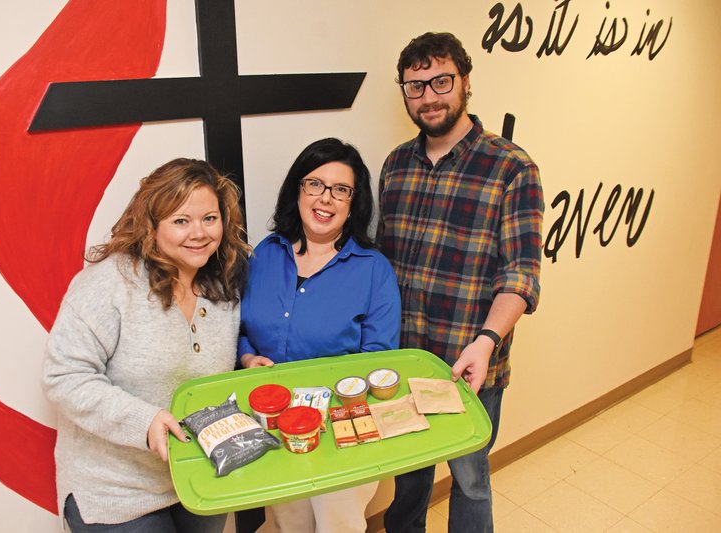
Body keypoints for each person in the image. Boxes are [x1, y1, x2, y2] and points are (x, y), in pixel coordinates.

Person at [377, 32, 544, 533]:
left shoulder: (512, 167)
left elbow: (521, 274)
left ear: (465, 82)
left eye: (440, 81)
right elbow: (382, 264)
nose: (428, 96)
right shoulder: (395, 165)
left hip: (468, 363)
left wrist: (487, 341)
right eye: (415, 86)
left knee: (470, 479)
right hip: (405, 358)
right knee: (408, 477)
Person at [42, 158, 250, 532]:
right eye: (180, 221)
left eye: (209, 218)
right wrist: (145, 421)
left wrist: (245, 365)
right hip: (117, 491)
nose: (199, 233)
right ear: (151, 226)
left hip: (199, 476)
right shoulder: (110, 284)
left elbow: (203, 370)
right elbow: (64, 376)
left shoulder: (224, 285)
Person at [238, 137, 401, 532]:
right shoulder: (265, 253)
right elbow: (238, 327)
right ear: (297, 189)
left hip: (342, 429)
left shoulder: (373, 269)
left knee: (337, 525)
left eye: (340, 190)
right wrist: (246, 357)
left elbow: (379, 361)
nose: (325, 198)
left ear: (353, 203)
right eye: (315, 184)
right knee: (287, 522)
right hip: (274, 422)